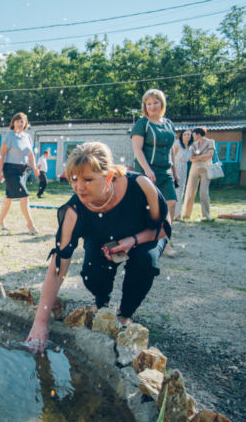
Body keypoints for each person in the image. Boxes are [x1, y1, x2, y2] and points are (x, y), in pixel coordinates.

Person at [26, 142, 171, 351]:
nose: (79, 187)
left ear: (109, 176)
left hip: (145, 236)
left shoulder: (141, 185)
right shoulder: (73, 211)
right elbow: (59, 265)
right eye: (74, 179)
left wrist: (133, 241)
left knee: (144, 262)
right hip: (103, 239)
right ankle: (101, 304)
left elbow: (164, 227)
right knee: (92, 272)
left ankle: (124, 315)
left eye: (88, 180)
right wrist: (40, 324)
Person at [130, 88, 178, 256]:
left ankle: (165, 242)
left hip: (165, 171)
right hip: (146, 171)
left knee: (171, 203)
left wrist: (175, 171)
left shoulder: (168, 124)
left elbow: (171, 149)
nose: (152, 106)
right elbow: (137, 149)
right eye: (148, 103)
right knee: (146, 206)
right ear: (145, 106)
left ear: (162, 104)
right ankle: (141, 240)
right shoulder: (142, 124)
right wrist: (147, 170)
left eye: (155, 102)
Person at [0, 112, 40, 235]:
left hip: (22, 171)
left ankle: (0, 221)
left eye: (22, 121)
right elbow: (2, 155)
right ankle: (30, 225)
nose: (20, 123)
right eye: (17, 121)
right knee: (24, 195)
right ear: (13, 122)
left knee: (9, 198)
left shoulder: (27, 137)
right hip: (10, 170)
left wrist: (35, 167)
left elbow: (31, 155)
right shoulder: (9, 136)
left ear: (25, 123)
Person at [181, 127, 215, 221]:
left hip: (206, 168)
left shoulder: (210, 142)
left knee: (204, 192)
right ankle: (186, 215)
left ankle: (206, 215)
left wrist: (198, 157)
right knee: (190, 191)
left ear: (199, 134)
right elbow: (191, 158)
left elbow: (209, 155)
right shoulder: (193, 144)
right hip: (194, 168)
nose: (192, 136)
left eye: (194, 134)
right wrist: (202, 157)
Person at [172, 130, 194, 220]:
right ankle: (170, 213)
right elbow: (172, 158)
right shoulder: (177, 144)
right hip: (175, 167)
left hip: (184, 168)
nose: (186, 136)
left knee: (180, 191)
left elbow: (192, 158)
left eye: (188, 134)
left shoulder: (191, 148)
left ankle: (178, 214)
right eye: (184, 134)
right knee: (174, 190)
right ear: (181, 136)